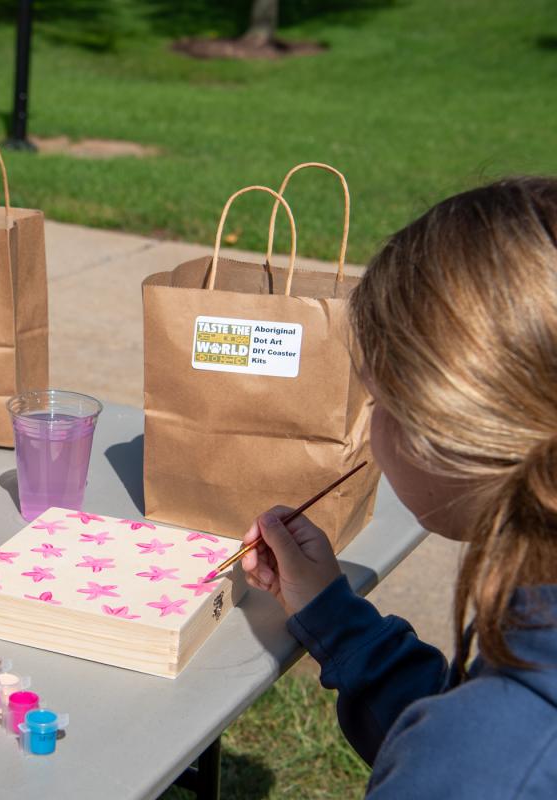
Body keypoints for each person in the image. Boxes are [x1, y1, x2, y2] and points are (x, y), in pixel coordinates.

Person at [242, 177, 557, 795]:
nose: (368, 427)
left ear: (443, 429)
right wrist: (331, 615)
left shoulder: (484, 764)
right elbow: (450, 727)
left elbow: (469, 754)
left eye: (378, 402)